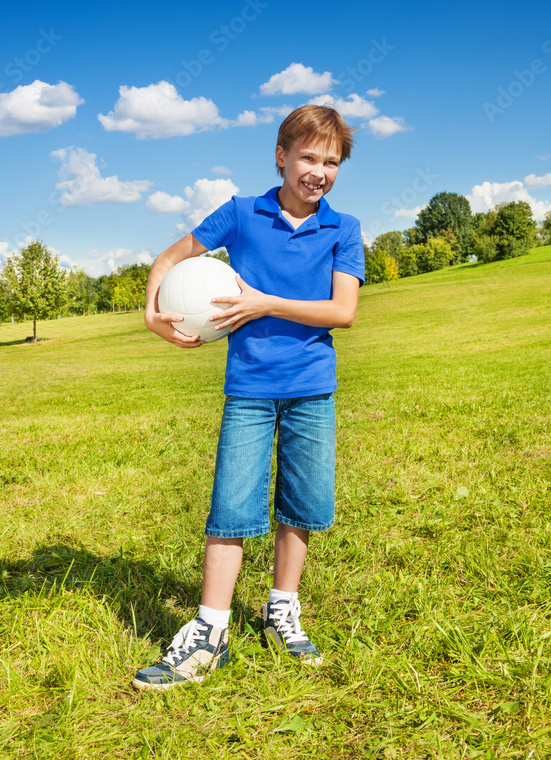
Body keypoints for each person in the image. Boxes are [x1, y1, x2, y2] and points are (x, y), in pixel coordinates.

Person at [133, 104, 365, 690]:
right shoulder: (240, 214)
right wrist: (153, 314)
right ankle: (211, 633)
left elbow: (343, 312)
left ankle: (281, 609)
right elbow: (167, 259)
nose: (319, 171)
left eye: (331, 161)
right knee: (231, 506)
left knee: (302, 504)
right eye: (308, 157)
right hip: (250, 391)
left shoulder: (344, 228)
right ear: (282, 156)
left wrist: (262, 302)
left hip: (312, 388)